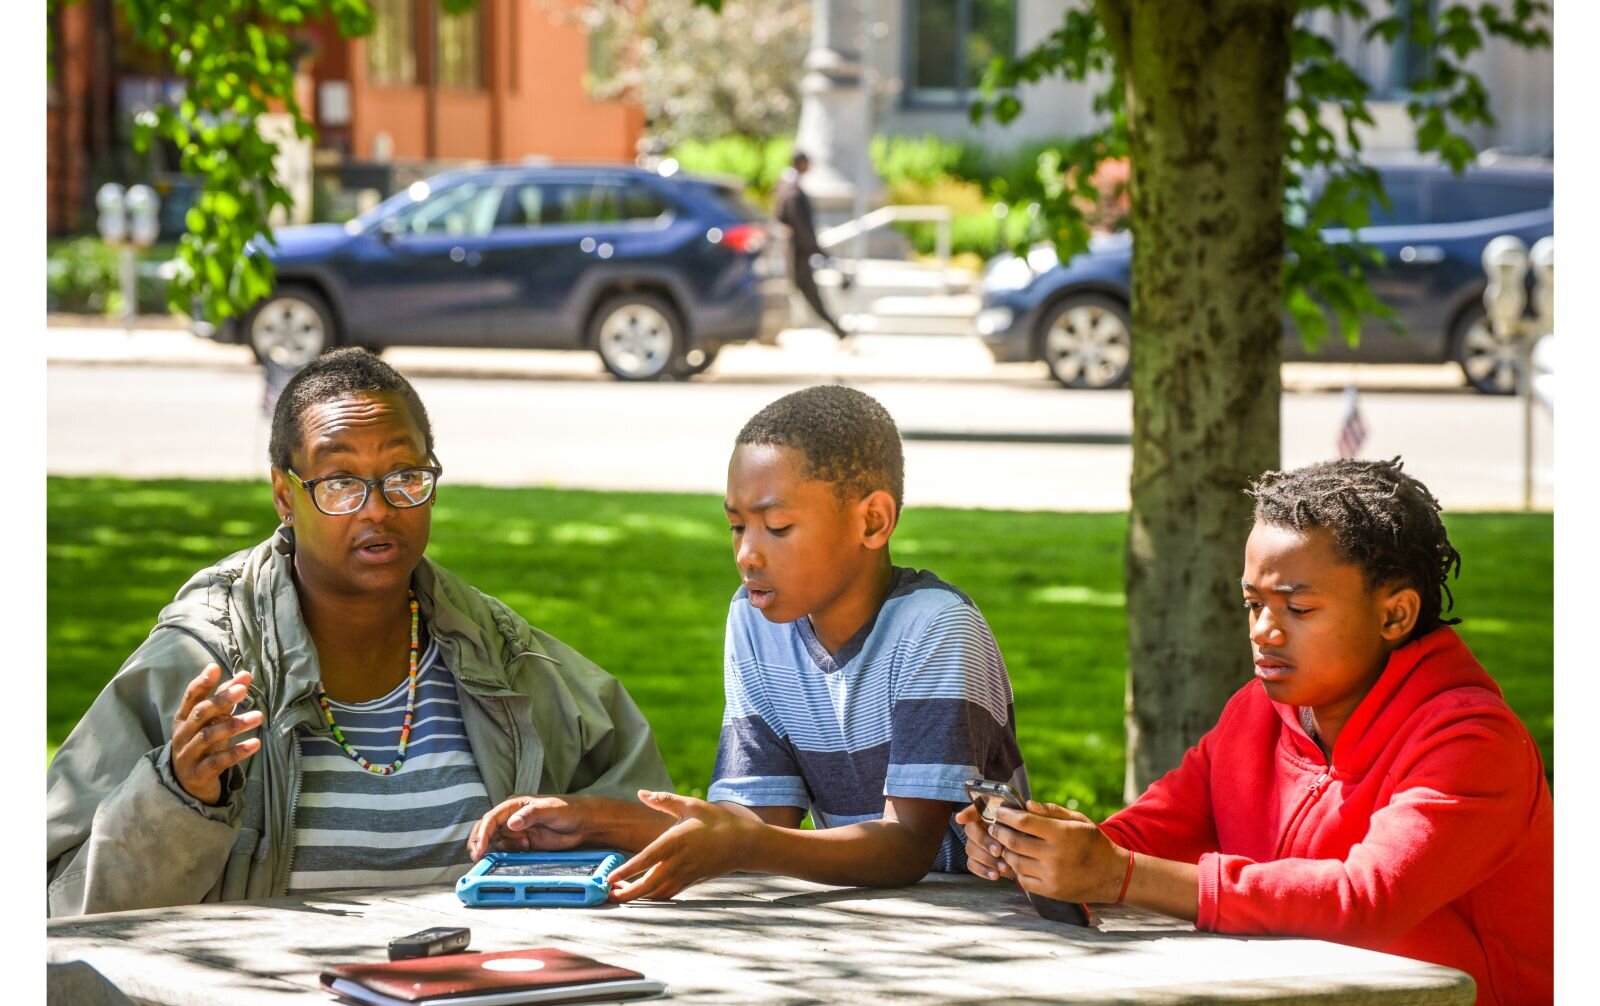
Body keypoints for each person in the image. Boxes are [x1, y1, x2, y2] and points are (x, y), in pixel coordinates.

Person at [47, 348, 672, 917]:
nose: (378, 508)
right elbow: (60, 910)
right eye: (340, 482)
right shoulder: (202, 667)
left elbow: (667, 836)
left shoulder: (505, 660)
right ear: (284, 495)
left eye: (405, 474)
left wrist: (589, 825)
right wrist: (178, 798)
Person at [958, 458, 1552, 1004]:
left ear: (1394, 614)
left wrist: (1115, 873)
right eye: (1253, 604)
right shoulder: (1257, 711)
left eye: (1298, 609)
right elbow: (1153, 831)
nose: (1264, 631)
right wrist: (1046, 851)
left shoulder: (1473, 742)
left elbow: (1366, 900)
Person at [469, 384, 1028, 900]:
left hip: (979, 913)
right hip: (870, 914)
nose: (746, 555)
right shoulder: (757, 621)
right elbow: (757, 824)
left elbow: (906, 847)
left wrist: (745, 844)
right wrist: (590, 820)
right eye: (737, 526)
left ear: (873, 522)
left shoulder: (935, 629)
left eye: (777, 527)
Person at [773, 151, 851, 340]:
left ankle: (838, 330)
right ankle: (838, 330)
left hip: (794, 252)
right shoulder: (793, 191)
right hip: (795, 253)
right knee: (807, 293)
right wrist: (817, 250)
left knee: (806, 293)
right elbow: (800, 226)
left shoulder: (785, 186)